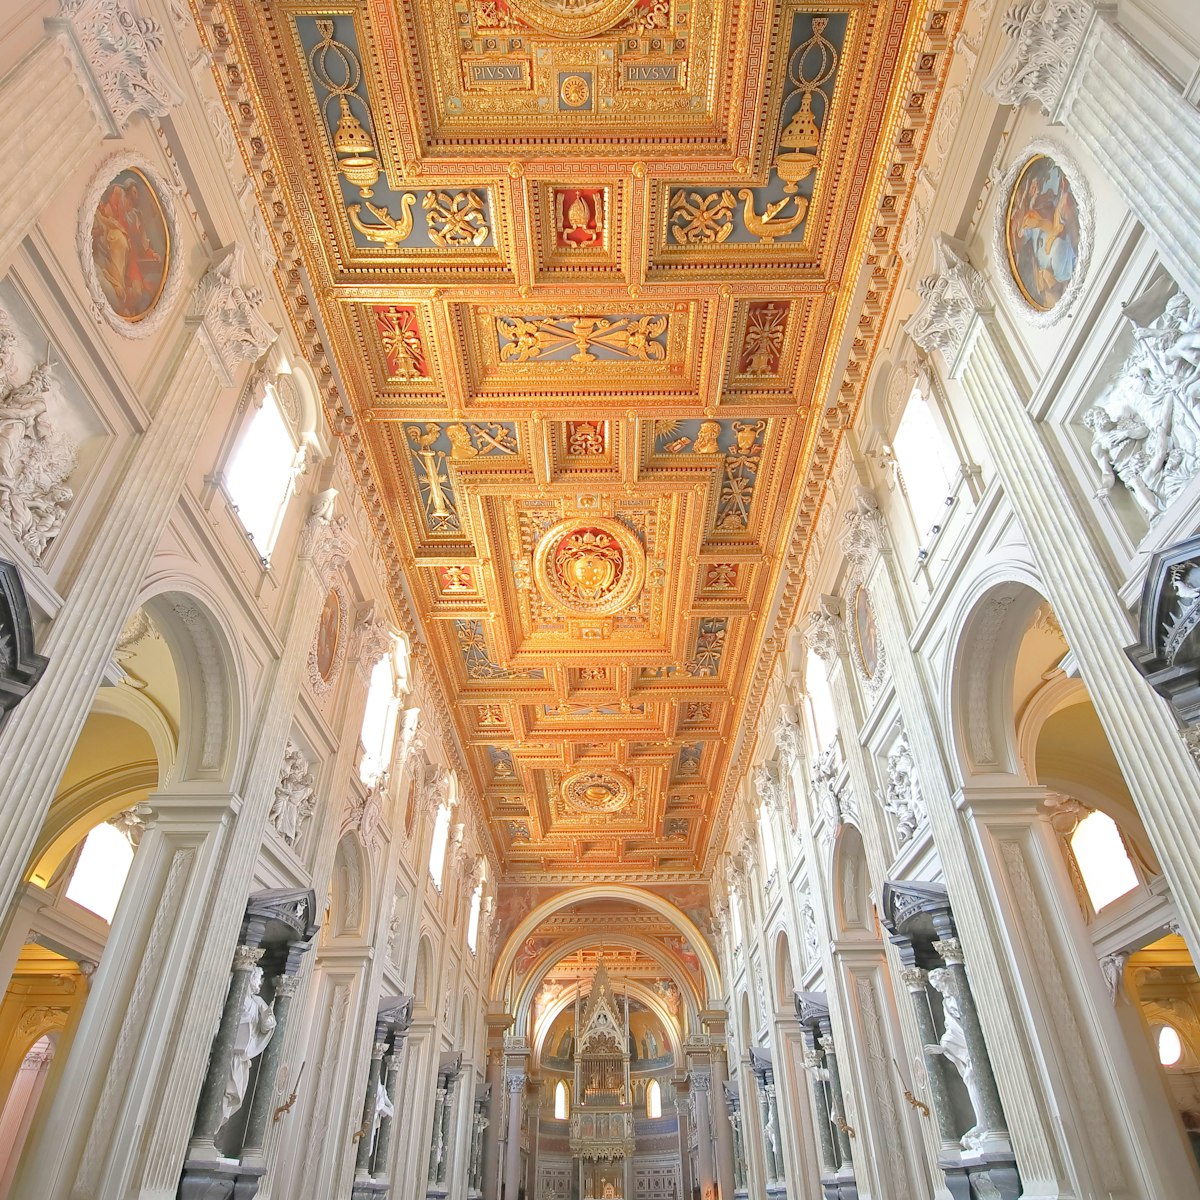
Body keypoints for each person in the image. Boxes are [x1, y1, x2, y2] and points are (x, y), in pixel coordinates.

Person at [220, 966, 276, 1128]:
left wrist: (267, 1017)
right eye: (257, 979)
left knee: (233, 1093)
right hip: (227, 1050)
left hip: (243, 1056)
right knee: (224, 1089)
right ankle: (207, 1131)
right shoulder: (235, 992)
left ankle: (212, 1129)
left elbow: (268, 1025)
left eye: (260, 980)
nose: (259, 983)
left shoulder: (257, 1002)